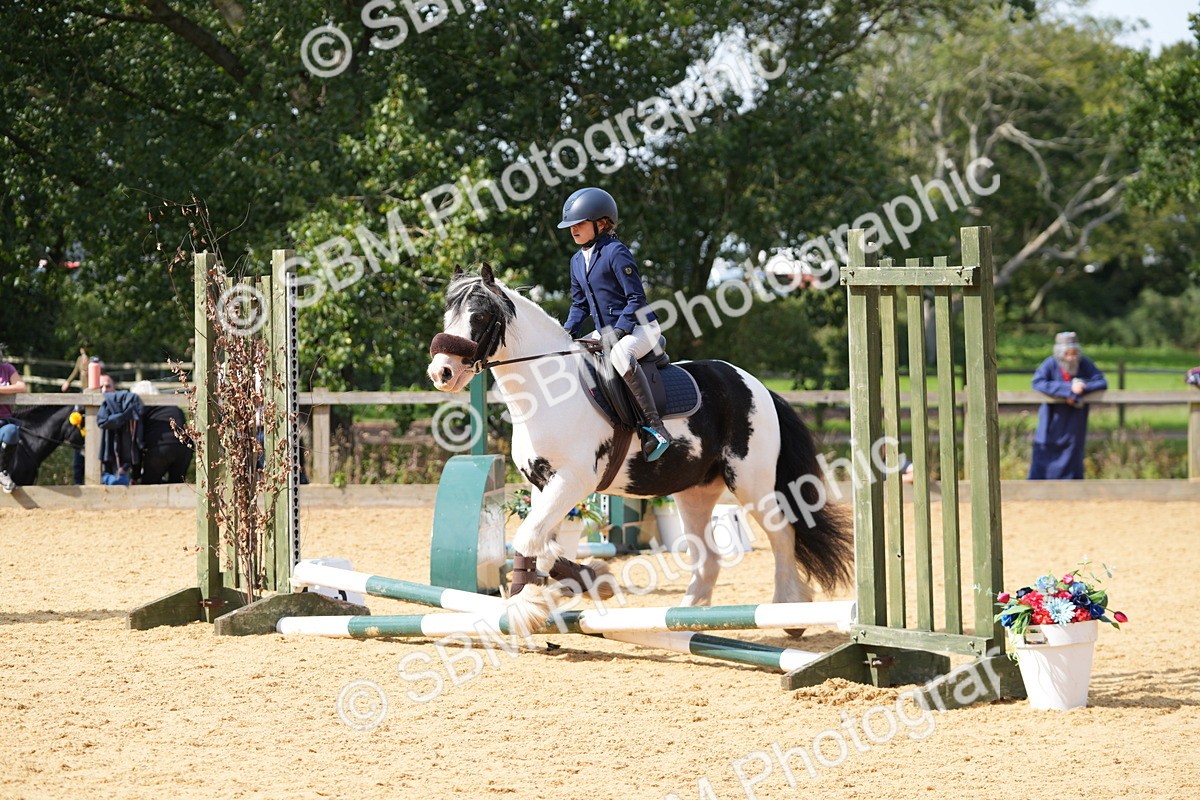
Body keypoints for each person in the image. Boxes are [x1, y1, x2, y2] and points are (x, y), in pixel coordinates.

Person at [559, 187, 671, 461]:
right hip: (607, 330)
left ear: (601, 223)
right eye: (571, 225)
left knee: (621, 354)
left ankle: (655, 428)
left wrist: (619, 330)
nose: (573, 229)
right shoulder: (576, 261)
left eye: (580, 223)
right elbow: (580, 305)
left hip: (640, 326)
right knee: (575, 354)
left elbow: (636, 298)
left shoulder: (615, 252)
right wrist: (565, 332)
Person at [1028, 332, 1107, 480]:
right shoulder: (1050, 364)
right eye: (1068, 354)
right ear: (1060, 353)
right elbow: (1037, 383)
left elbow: (1101, 382)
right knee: (1044, 451)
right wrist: (1068, 390)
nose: (1071, 357)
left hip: (1074, 421)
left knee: (1073, 454)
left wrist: (1083, 386)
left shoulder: (1084, 363)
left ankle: (1072, 489)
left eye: (1074, 353)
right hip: (1052, 420)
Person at [0, 346, 27, 493]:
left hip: (4, 422)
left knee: (12, 431)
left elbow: (21, 387)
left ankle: (2, 472)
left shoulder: (7, 369)